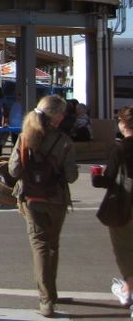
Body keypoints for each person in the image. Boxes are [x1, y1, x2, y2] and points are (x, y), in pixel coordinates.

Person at [8, 95, 78, 318]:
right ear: (56, 117)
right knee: (52, 245)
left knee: (39, 246)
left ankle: (46, 299)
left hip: (31, 198)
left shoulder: (25, 137)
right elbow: (72, 176)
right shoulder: (64, 141)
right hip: (56, 198)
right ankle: (51, 294)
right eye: (62, 113)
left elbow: (13, 170)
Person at [93, 105, 133, 309]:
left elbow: (109, 179)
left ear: (123, 124)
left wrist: (96, 178)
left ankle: (128, 289)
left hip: (125, 204)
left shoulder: (120, 148)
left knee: (124, 248)